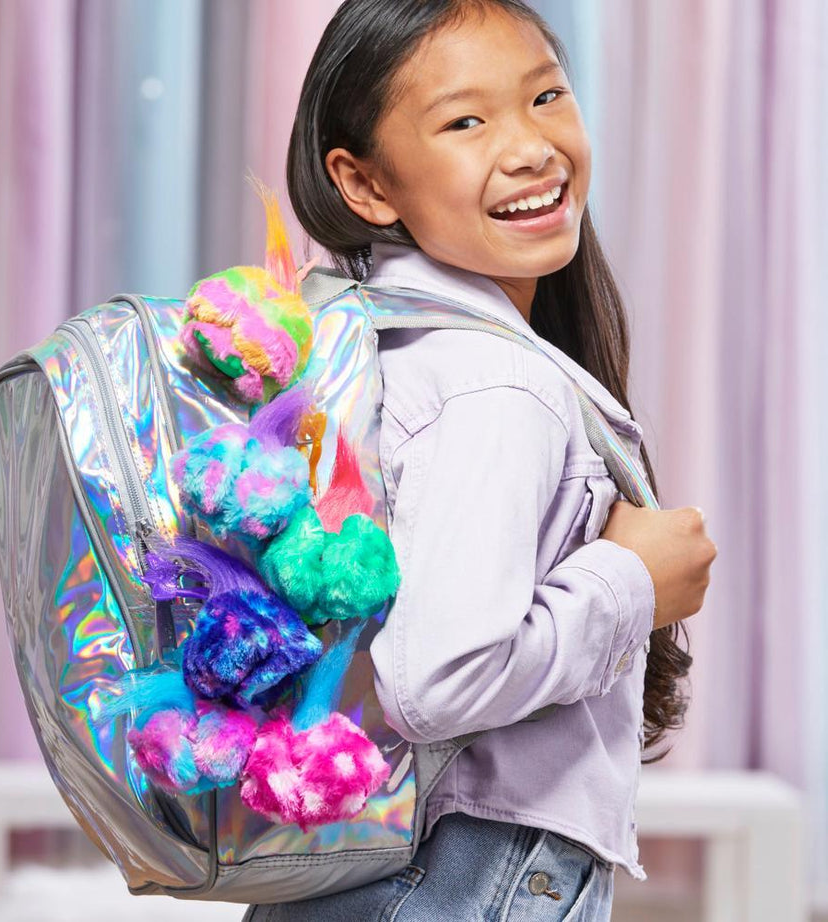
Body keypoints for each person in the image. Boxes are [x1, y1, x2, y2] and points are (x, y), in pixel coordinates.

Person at [243, 1, 717, 919]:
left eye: (545, 96)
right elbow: (439, 681)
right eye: (466, 121)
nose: (532, 147)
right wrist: (632, 582)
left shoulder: (373, 344)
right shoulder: (495, 384)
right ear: (365, 183)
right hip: (459, 874)